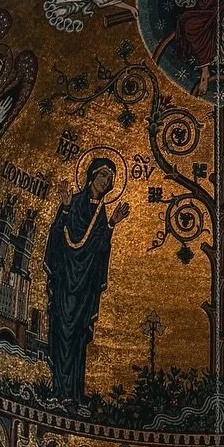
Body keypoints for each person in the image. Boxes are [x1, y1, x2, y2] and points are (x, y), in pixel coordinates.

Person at [43, 158, 129, 404]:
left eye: (110, 179)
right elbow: (57, 235)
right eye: (103, 175)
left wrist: (112, 224)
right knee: (62, 334)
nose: (106, 181)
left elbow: (100, 249)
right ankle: (58, 390)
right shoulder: (75, 202)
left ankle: (74, 395)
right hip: (66, 282)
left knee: (79, 337)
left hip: (84, 289)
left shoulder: (101, 213)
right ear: (92, 175)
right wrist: (66, 207)